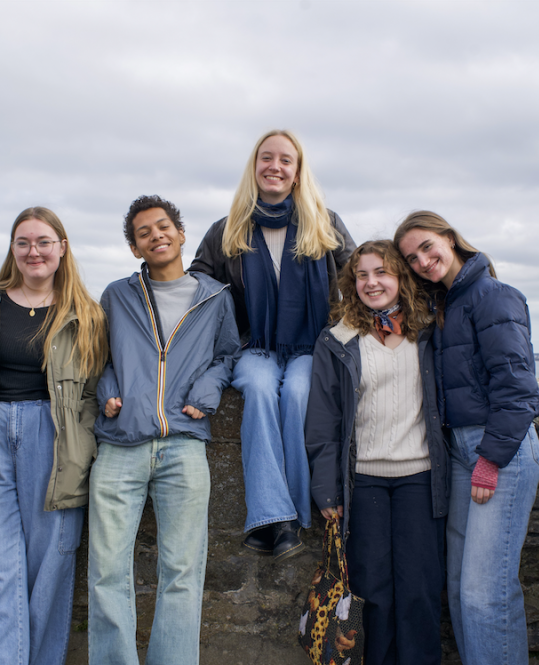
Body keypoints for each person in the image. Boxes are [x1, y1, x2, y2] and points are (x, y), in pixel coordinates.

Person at [0, 206, 107, 665]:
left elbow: (96, 389)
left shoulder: (86, 314)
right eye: (23, 242)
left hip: (55, 444)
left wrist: (83, 444)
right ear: (13, 249)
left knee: (48, 574)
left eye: (42, 242)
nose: (33, 251)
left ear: (62, 248)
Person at [88, 195, 240, 665]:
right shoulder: (117, 294)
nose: (155, 235)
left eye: (162, 227)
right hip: (120, 444)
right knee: (107, 570)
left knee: (182, 571)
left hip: (184, 444)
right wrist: (107, 390)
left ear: (180, 234)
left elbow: (228, 355)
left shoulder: (215, 296)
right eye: (143, 233)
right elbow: (99, 356)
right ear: (136, 248)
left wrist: (208, 391)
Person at [190, 129, 355, 559]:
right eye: (267, 158)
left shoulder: (326, 221)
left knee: (300, 393)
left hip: (311, 345)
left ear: (298, 173)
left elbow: (359, 278)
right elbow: (195, 288)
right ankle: (273, 516)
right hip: (253, 346)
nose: (275, 167)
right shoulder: (226, 229)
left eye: (286, 160)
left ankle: (292, 518)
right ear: (255, 166)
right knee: (261, 390)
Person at [394, 212, 539, 665]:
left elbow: (518, 391)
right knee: (459, 589)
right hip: (459, 451)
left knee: (486, 593)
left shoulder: (493, 297)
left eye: (426, 246)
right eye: (411, 258)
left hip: (498, 451)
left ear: (450, 239)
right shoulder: (444, 304)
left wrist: (490, 459)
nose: (422, 261)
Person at [306, 240, 450, 665]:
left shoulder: (429, 330)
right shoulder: (338, 339)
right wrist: (326, 489)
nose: (372, 283)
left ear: (400, 277)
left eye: (382, 272)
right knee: (373, 590)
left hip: (420, 477)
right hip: (362, 480)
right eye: (362, 275)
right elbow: (323, 420)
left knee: (420, 588)